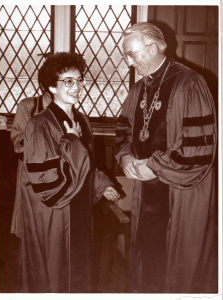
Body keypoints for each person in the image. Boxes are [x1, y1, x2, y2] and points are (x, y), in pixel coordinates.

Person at [115, 22, 218, 293]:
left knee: (178, 264)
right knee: (148, 259)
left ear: (152, 48)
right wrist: (125, 157)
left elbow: (200, 149)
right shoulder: (138, 89)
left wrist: (155, 167)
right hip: (146, 187)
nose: (129, 62)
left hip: (180, 188)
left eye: (132, 54)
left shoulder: (190, 83)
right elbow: (124, 129)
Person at [18, 51, 119, 293]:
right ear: (52, 87)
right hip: (55, 211)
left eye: (79, 79)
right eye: (68, 81)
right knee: (55, 272)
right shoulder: (39, 124)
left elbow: (89, 165)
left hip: (79, 205)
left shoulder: (81, 120)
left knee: (78, 269)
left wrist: (102, 184)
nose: (77, 86)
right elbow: (47, 183)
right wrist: (72, 141)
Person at [11, 70, 52, 238]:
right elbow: (18, 138)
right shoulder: (27, 105)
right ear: (42, 86)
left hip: (56, 172)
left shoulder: (69, 108)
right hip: (31, 170)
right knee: (29, 218)